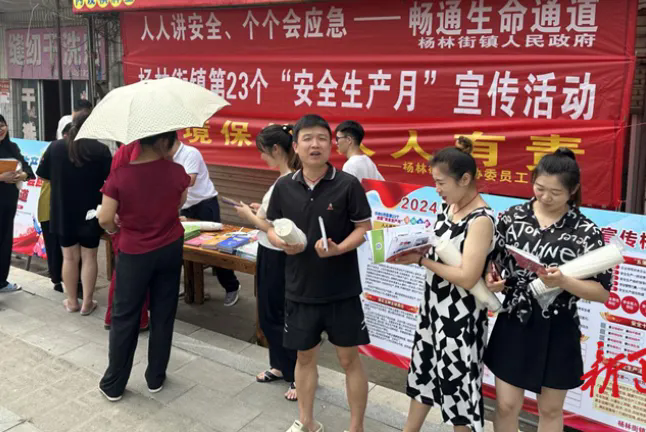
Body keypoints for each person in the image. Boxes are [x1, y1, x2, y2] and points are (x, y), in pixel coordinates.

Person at [483, 148, 612, 432]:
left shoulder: (586, 231)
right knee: (505, 405)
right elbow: (495, 263)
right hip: (515, 319)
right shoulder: (513, 217)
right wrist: (493, 279)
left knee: (550, 409)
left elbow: (602, 292)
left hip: (559, 326)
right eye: (539, 188)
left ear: (573, 190)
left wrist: (564, 281)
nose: (545, 197)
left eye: (555, 192)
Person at [266, 114, 372, 432]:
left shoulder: (348, 184)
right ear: (296, 146)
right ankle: (307, 421)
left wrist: (339, 248)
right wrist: (283, 243)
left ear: (331, 145)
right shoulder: (284, 186)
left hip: (342, 291)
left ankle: (356, 427)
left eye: (322, 138)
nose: (316, 144)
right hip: (300, 290)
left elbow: (363, 228)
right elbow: (272, 228)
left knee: (349, 360)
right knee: (304, 358)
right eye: (308, 138)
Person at [392, 137, 495, 432]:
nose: (437, 189)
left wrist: (421, 261)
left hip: (460, 317)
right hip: (433, 307)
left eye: (441, 183)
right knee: (422, 374)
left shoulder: (481, 219)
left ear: (465, 179)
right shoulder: (448, 207)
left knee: (458, 388)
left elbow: (468, 276)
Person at [98, 131, 190, 401]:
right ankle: (155, 377)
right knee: (163, 312)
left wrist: (117, 228)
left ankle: (114, 384)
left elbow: (105, 218)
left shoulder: (120, 176)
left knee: (125, 315)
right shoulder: (177, 172)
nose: (173, 148)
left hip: (134, 252)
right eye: (172, 143)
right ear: (162, 142)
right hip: (170, 247)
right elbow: (180, 203)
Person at [234, 124, 299, 402]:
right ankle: (279, 365)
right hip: (267, 250)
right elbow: (272, 217)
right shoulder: (283, 180)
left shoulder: (289, 181)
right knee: (268, 311)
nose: (261, 157)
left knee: (278, 314)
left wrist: (249, 216)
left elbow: (274, 226)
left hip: (277, 253)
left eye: (263, 151)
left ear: (276, 150)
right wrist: (257, 211)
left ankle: (296, 375)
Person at [36, 112, 112, 315]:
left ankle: (71, 301)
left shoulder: (55, 147)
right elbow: (110, 180)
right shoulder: (101, 150)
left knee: (69, 257)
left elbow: (43, 175)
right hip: (90, 212)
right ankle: (87, 302)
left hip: (63, 211)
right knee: (90, 256)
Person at [169, 140, 240, 306]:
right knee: (183, 247)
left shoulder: (190, 153)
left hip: (205, 205)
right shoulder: (165, 158)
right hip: (185, 207)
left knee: (215, 249)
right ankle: (191, 288)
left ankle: (232, 286)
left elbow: (190, 180)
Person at [103, 141, 150, 332]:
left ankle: (114, 317)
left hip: (123, 217)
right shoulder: (138, 149)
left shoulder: (123, 151)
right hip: (133, 221)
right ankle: (136, 319)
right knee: (133, 274)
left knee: (123, 272)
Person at [37, 121, 81, 295]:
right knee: (55, 245)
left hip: (66, 206)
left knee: (69, 247)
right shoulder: (53, 149)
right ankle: (57, 279)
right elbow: (42, 175)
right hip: (50, 204)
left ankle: (72, 281)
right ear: (64, 136)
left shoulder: (81, 152)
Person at [0, 114, 35, 293]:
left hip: (8, 202)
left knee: (5, 240)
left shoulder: (12, 147)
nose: (1, 129)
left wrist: (21, 175)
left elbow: (29, 170)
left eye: (2, 125)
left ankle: (2, 281)